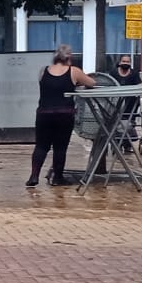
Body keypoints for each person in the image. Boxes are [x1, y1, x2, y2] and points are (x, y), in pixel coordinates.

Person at [30, 45, 100, 187]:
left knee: (41, 146)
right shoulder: (73, 71)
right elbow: (92, 83)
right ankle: (58, 178)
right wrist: (78, 84)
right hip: (64, 114)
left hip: (44, 113)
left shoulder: (43, 71)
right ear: (69, 58)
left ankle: (34, 176)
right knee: (60, 147)